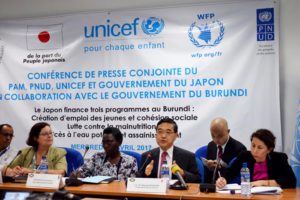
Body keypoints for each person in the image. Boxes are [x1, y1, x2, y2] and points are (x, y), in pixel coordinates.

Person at [216, 129, 296, 189]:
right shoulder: (245, 156)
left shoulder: (279, 159)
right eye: (253, 146)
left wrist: (263, 183)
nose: (254, 151)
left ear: (269, 149)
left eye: (260, 148)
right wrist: (222, 180)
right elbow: (229, 173)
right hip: (249, 196)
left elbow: (291, 181)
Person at [140, 118, 200, 183]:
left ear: (176, 135)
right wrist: (146, 174)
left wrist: (182, 173)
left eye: (168, 132)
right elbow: (137, 180)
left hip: (177, 192)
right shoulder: (147, 156)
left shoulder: (188, 156)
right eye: (160, 132)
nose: (163, 136)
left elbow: (197, 179)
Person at [204, 117, 246, 183]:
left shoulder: (239, 149)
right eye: (213, 136)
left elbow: (235, 174)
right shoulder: (211, 145)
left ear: (228, 132)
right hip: (212, 187)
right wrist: (210, 168)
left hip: (229, 187)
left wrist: (220, 167)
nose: (216, 139)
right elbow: (207, 175)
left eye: (220, 136)